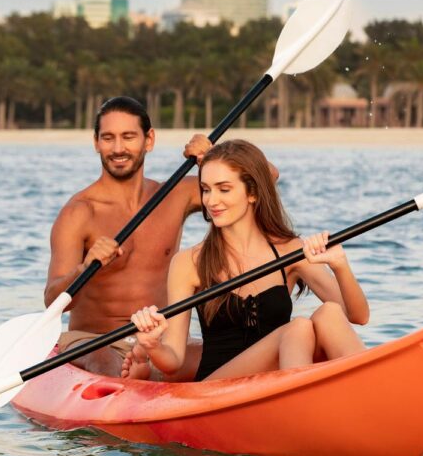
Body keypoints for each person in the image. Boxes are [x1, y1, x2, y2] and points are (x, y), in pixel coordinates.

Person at [44, 97, 278, 378]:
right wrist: (86, 268)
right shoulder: (79, 212)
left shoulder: (174, 195)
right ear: (96, 143)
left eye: (128, 137)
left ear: (149, 139)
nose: (118, 148)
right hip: (93, 342)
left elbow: (268, 178)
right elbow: (52, 301)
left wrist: (214, 156)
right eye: (108, 138)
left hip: (156, 343)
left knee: (242, 353)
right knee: (109, 364)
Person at [122, 139, 369, 382]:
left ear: (252, 193)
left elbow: (358, 316)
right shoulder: (189, 262)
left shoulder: (288, 250)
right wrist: (152, 344)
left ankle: (370, 395)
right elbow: (174, 361)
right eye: (206, 189)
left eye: (224, 189)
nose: (211, 200)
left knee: (329, 312)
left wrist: (340, 266)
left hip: (275, 377)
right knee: (299, 328)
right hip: (218, 387)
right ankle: (299, 410)